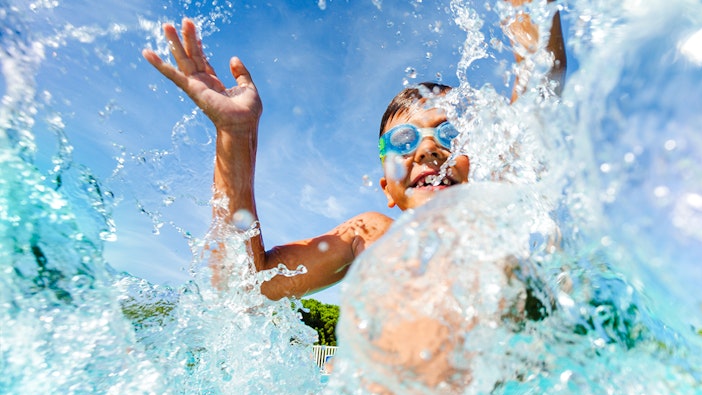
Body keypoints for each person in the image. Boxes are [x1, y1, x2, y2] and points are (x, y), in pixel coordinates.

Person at [142, 1, 566, 302]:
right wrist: (235, 136)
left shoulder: (508, 222)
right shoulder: (372, 236)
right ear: (387, 189)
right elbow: (241, 286)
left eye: (451, 134)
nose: (431, 148)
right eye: (404, 142)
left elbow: (541, 81)